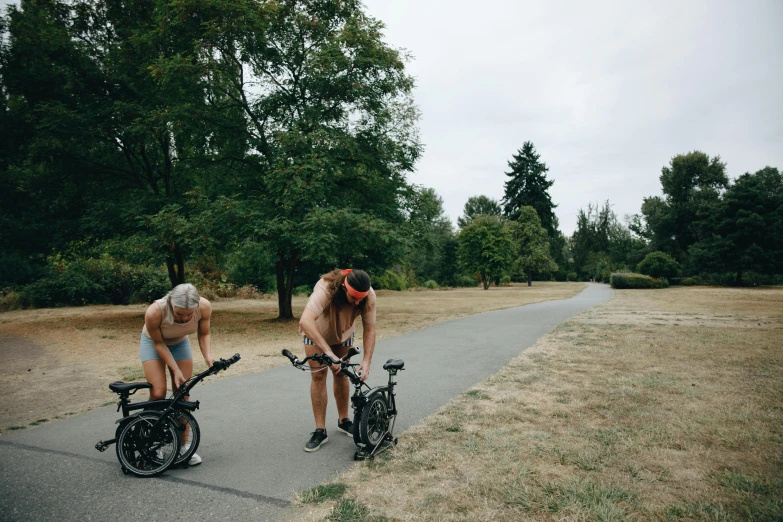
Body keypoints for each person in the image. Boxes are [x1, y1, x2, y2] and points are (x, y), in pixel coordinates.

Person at [298, 268, 376, 452]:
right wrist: (329, 354)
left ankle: (344, 420)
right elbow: (305, 321)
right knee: (318, 377)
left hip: (343, 333)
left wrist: (366, 361)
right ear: (343, 288)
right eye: (354, 297)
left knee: (342, 374)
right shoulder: (326, 290)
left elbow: (370, 328)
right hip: (316, 333)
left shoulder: (369, 295)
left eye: (361, 298)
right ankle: (320, 430)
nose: (358, 301)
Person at [140, 283, 214, 466]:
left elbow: (204, 334)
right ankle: (152, 443)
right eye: (180, 314)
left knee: (183, 394)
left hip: (180, 343)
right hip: (154, 344)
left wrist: (208, 356)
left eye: (189, 314)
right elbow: (159, 344)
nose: (185, 318)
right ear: (171, 302)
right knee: (158, 392)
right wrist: (175, 369)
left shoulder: (204, 306)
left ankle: (184, 446)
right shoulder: (155, 312)